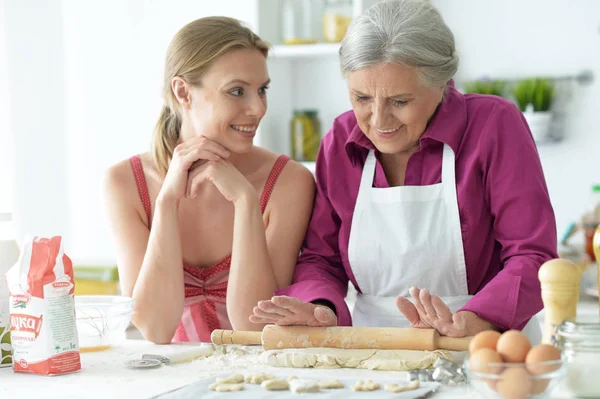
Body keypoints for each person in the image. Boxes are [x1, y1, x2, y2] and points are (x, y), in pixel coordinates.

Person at [250, 0, 556, 344]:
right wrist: (321, 307)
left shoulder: (493, 125)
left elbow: (532, 255)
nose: (378, 121)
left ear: (442, 83)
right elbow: (322, 259)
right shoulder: (339, 140)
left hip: (480, 343)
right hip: (370, 347)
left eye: (400, 101)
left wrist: (474, 320)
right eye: (362, 97)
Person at [102, 17, 315, 344]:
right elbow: (156, 328)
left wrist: (245, 201)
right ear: (183, 91)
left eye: (262, 90)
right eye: (237, 91)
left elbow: (253, 327)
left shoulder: (289, 182)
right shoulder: (125, 183)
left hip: (260, 381)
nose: (257, 108)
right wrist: (167, 203)